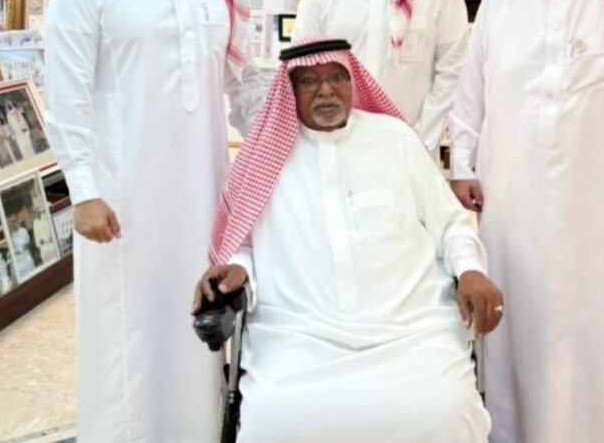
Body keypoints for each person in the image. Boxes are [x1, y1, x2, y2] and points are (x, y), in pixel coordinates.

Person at [193, 37, 503, 442]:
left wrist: (471, 270)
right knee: (272, 413)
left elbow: (451, 225)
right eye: (309, 81)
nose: (326, 90)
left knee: (447, 407)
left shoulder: (394, 139)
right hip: (300, 336)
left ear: (353, 81)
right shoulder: (267, 156)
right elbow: (247, 244)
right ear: (290, 90)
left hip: (410, 332)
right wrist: (238, 268)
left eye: (337, 77)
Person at [448, 0, 604, 441]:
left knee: (590, 334)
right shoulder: (500, 1)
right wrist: (461, 162)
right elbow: (470, 91)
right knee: (516, 331)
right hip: (512, 206)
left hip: (597, 208)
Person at [44, 0, 266, 441]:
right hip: (121, 211)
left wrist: (285, 150)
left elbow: (244, 83)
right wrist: (83, 190)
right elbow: (65, 96)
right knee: (126, 351)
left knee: (195, 345)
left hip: (203, 204)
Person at [293, 0, 468, 152]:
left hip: (411, 151)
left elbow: (454, 69)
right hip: (336, 151)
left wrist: (417, 145)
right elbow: (301, 69)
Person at [9, 213, 36, 278]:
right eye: (12, 221)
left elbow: (27, 243)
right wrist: (15, 252)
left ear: (17, 221)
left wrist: (22, 248)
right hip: (19, 261)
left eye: (15, 220)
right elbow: (13, 249)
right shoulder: (13, 235)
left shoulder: (23, 231)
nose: (14, 223)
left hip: (26, 257)